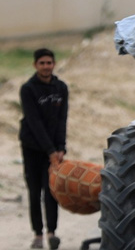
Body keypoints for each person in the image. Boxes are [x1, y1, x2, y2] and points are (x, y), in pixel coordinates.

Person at [19, 48, 67, 250]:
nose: (46, 66)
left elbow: (62, 118)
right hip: (33, 147)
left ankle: (51, 233)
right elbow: (34, 121)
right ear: (35, 65)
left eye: (49, 63)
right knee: (35, 191)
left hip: (54, 149)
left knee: (52, 191)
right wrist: (50, 150)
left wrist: (61, 147)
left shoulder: (61, 87)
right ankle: (38, 235)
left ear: (54, 64)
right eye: (42, 63)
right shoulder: (28, 89)